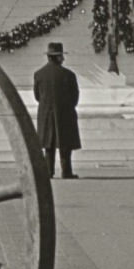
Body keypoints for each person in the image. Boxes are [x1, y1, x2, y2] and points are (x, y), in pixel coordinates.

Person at [33, 41, 81, 179]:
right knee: (65, 145)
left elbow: (37, 96)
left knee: (49, 144)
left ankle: (49, 171)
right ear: (57, 57)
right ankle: (66, 171)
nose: (63, 59)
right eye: (61, 56)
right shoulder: (69, 75)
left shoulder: (39, 74)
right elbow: (75, 97)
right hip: (65, 113)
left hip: (46, 113)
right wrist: (67, 106)